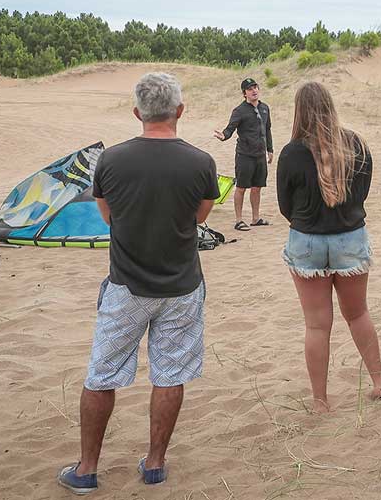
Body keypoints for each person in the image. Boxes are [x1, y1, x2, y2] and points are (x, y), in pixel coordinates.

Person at [58, 72, 219, 494]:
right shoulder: (202, 162)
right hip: (182, 284)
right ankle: (155, 463)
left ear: (137, 113)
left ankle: (87, 468)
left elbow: (108, 217)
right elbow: (199, 219)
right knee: (170, 374)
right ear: (179, 111)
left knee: (101, 375)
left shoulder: (111, 160)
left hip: (126, 283)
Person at [276, 81, 381, 412]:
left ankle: (320, 401)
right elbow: (362, 194)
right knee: (358, 313)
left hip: (306, 240)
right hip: (350, 237)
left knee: (316, 324)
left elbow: (285, 206)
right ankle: (378, 382)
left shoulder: (291, 152)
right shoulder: (357, 145)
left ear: (299, 110)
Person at [212, 78, 274, 231]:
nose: (254, 91)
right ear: (244, 93)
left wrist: (270, 149)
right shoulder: (239, 111)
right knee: (241, 187)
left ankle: (255, 218)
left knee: (257, 187)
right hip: (245, 155)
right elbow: (230, 129)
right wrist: (224, 136)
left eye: (255, 87)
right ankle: (239, 220)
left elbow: (267, 130)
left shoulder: (265, 108)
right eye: (250, 89)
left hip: (260, 155)